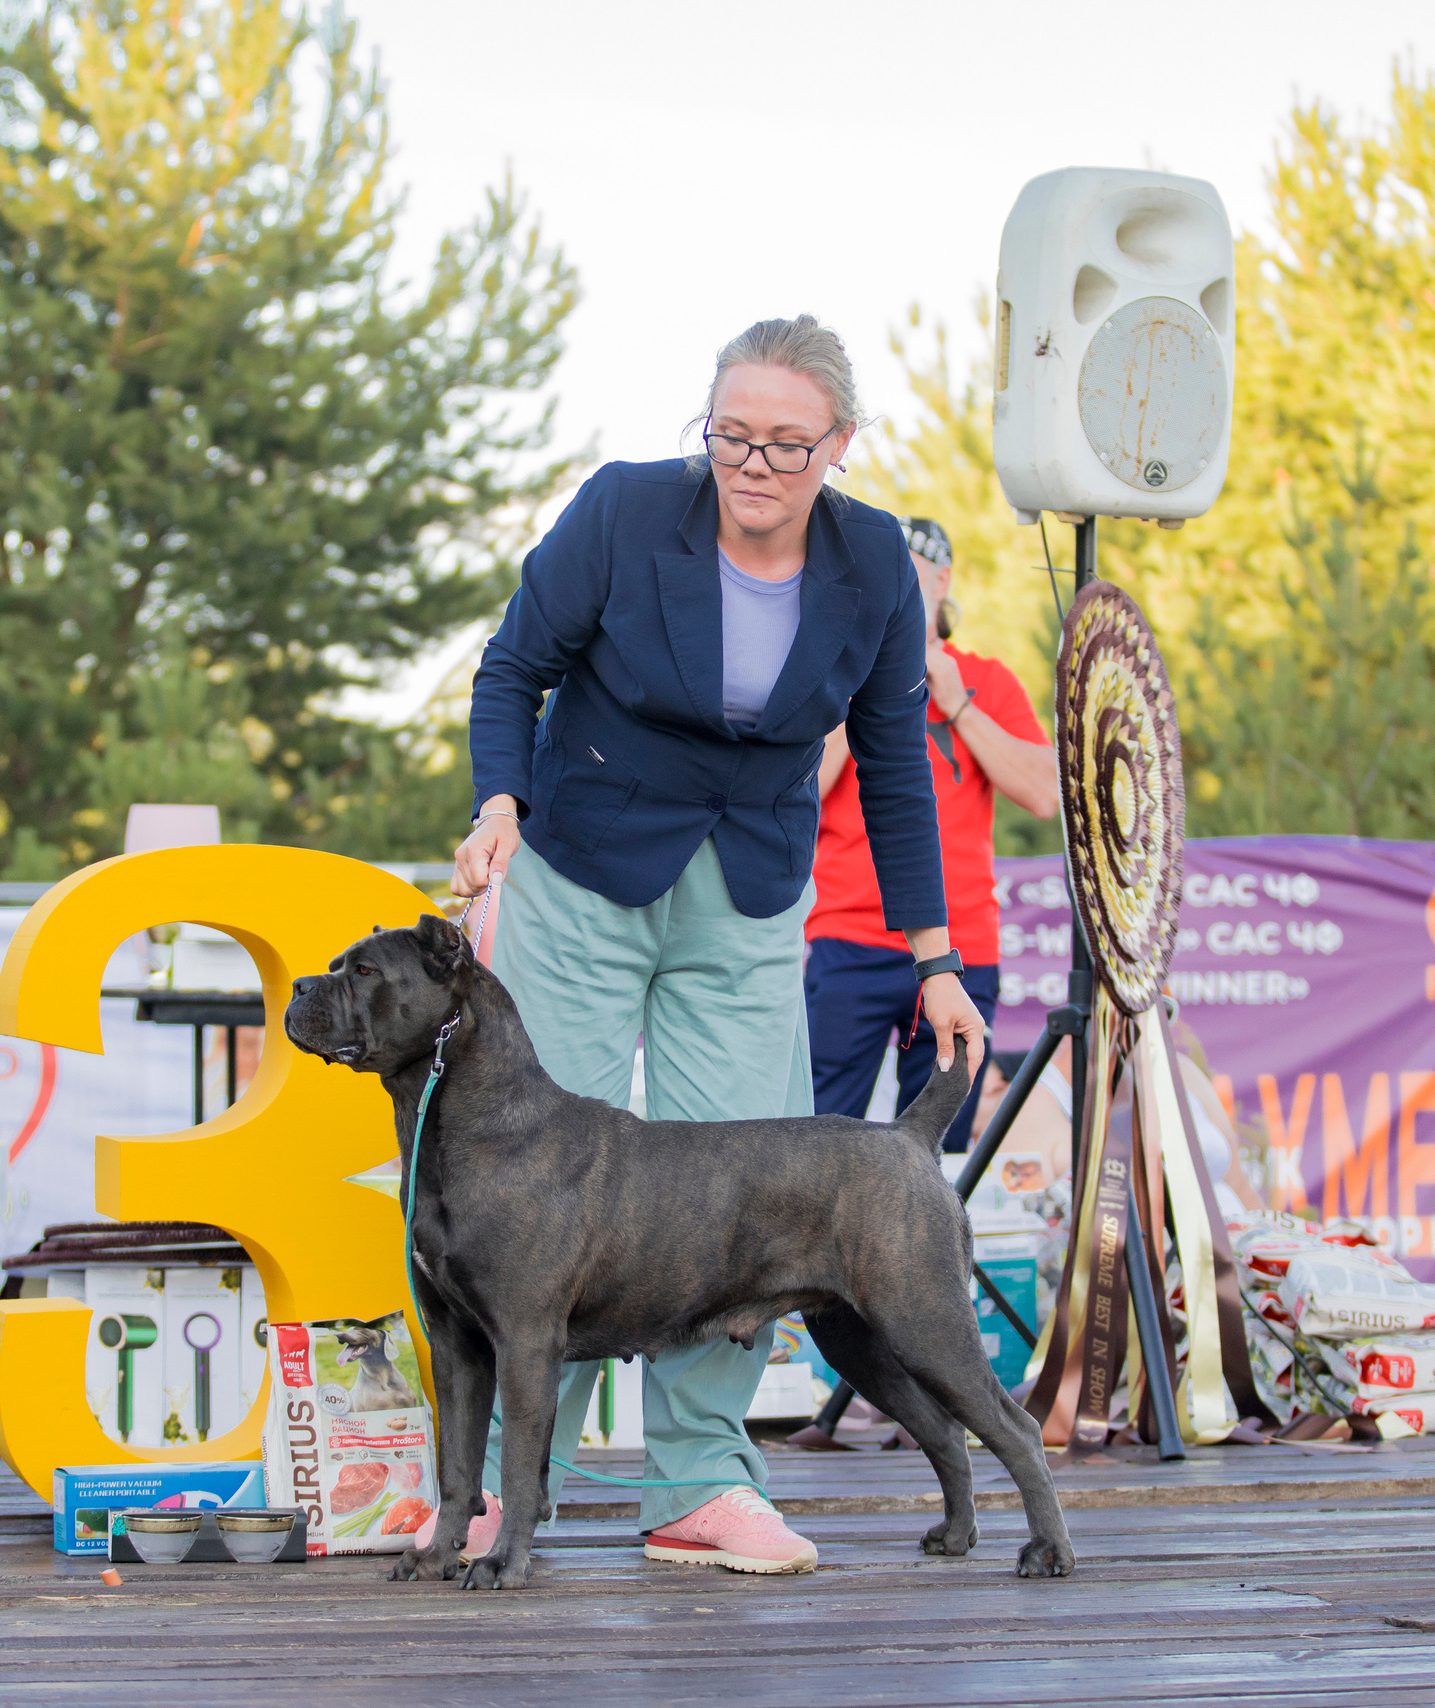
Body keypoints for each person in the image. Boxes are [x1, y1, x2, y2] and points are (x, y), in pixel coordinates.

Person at [438, 317, 983, 1576]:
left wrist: (935, 956)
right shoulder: (624, 512)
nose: (753, 464)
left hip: (747, 888)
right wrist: (497, 803)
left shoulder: (872, 563)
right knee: (535, 1187)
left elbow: (895, 762)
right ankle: (506, 1494)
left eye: (786, 443)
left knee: (744, 1196)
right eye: (731, 435)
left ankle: (699, 1481)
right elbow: (512, 668)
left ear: (838, 445)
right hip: (581, 867)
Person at [803, 518, 1056, 1150]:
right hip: (849, 939)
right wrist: (860, 686)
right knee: (813, 1143)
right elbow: (799, 790)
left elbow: (1045, 794)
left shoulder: (987, 680)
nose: (890, 591)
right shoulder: (834, 675)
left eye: (907, 577)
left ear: (941, 583)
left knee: (937, 1151)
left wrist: (960, 706)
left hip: (961, 947)